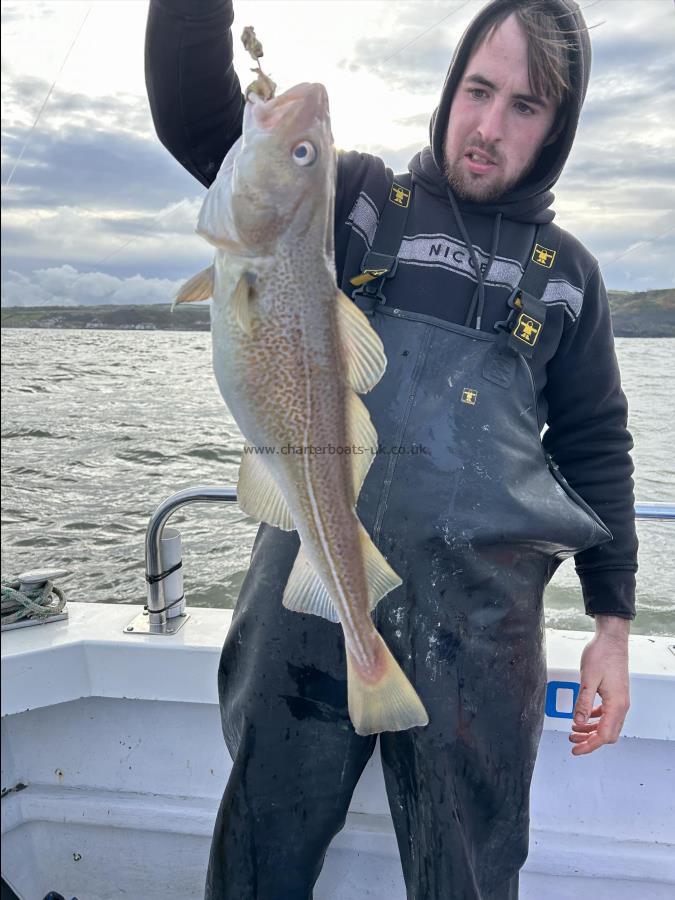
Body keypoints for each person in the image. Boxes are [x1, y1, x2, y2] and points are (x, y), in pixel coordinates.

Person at [145, 1, 637, 897]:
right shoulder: (358, 201)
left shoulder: (568, 278)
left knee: (468, 878)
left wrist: (612, 623)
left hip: (481, 640)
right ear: (451, 89)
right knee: (261, 853)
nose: (487, 126)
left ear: (557, 128)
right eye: (478, 90)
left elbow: (597, 444)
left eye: (523, 107)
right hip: (306, 607)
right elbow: (203, 124)